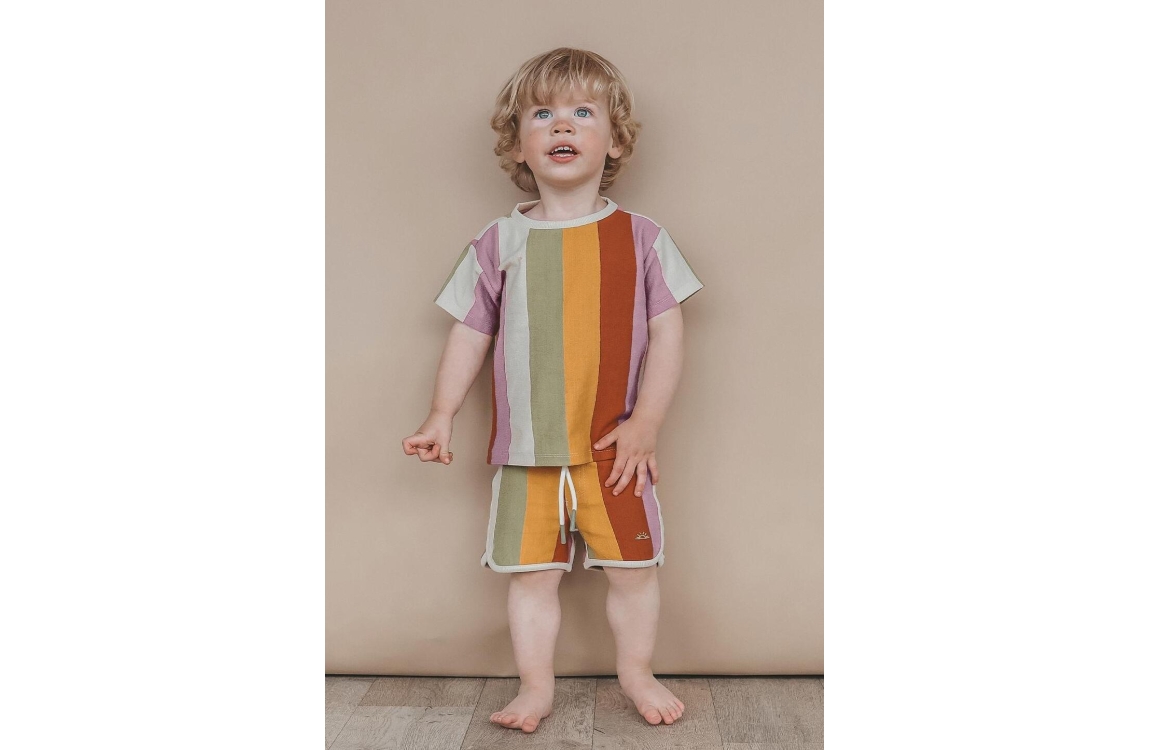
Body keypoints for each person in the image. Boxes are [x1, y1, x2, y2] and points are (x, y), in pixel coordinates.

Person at [402, 47, 703, 734]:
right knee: (531, 577)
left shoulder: (642, 239)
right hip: (525, 454)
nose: (561, 125)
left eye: (581, 112)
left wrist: (646, 422)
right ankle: (535, 688)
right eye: (542, 114)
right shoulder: (496, 242)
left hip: (614, 450)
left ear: (615, 140)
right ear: (518, 144)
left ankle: (636, 672)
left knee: (633, 571)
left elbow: (669, 336)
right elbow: (468, 334)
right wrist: (441, 414)